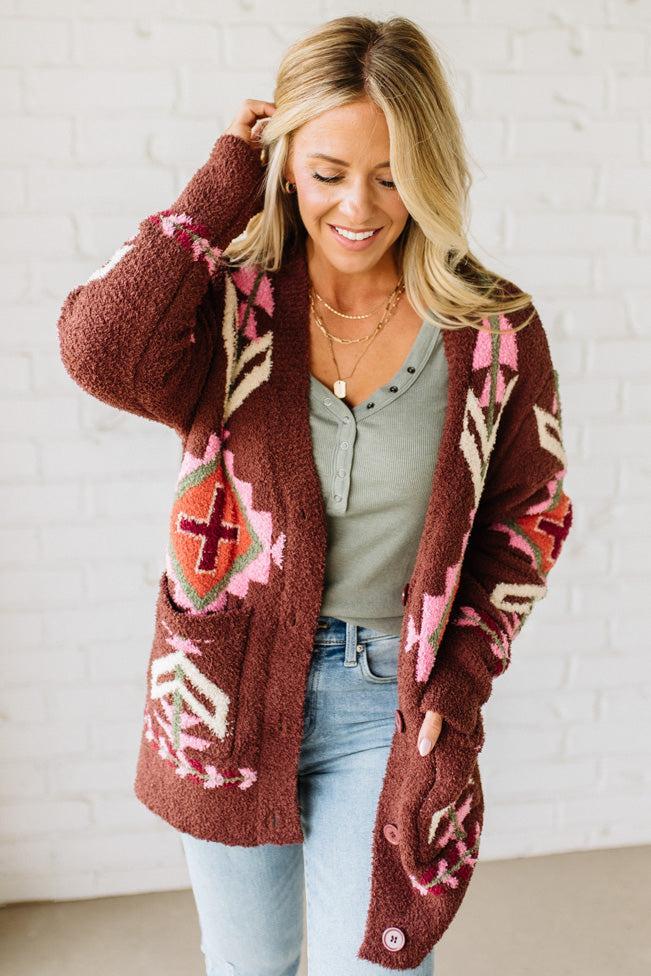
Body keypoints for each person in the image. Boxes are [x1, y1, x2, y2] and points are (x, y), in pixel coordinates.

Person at [56, 15, 573, 976]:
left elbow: (529, 517)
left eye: (391, 174)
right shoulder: (229, 304)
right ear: (284, 158)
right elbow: (100, 351)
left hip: (392, 698)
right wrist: (218, 186)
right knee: (249, 967)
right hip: (224, 691)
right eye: (328, 170)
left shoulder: (493, 329)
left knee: (373, 968)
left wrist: (459, 677)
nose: (359, 206)